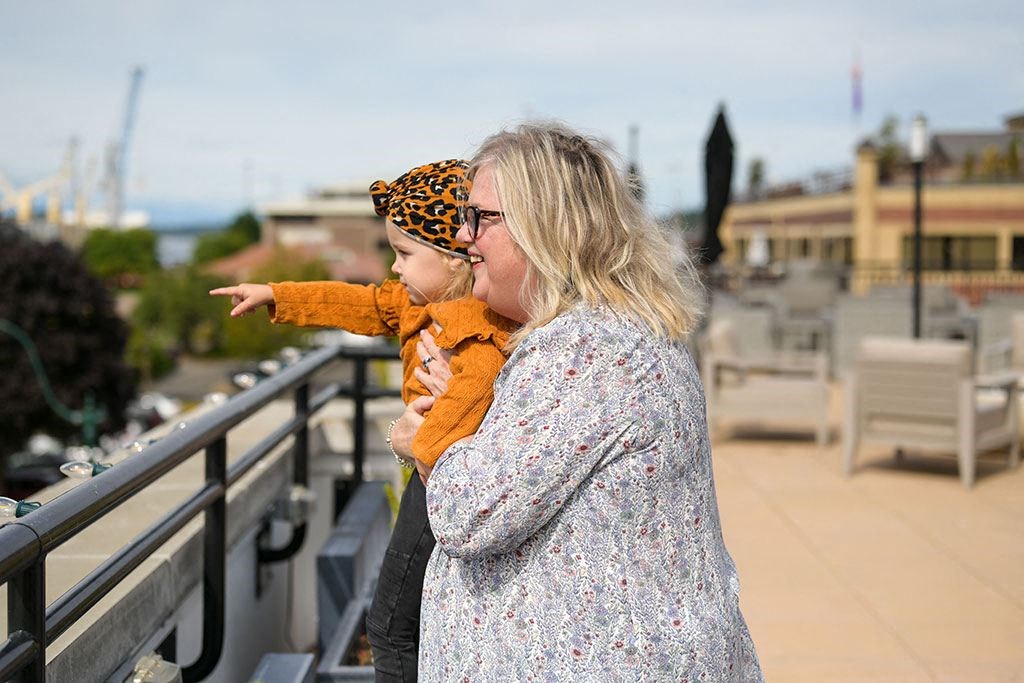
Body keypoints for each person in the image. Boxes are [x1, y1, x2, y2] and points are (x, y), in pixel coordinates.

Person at [390, 124, 763, 681]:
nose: (464, 239)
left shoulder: (589, 349)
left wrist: (422, 440)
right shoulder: (604, 334)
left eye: (479, 218)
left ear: (547, 228)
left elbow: (471, 513)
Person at [210, 159, 519, 682]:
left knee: (391, 626)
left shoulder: (475, 333)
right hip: (435, 476)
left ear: (453, 261)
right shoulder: (415, 304)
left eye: (403, 254)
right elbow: (360, 303)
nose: (394, 268)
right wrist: (277, 296)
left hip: (440, 484)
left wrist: (412, 445)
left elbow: (459, 420)